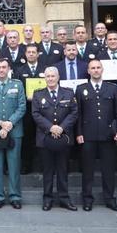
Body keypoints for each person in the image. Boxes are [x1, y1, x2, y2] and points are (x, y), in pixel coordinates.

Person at [74, 59, 117, 212]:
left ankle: (110, 199)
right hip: (88, 135)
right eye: (93, 68)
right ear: (88, 71)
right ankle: (87, 199)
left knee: (108, 170)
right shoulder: (81, 88)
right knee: (87, 170)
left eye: (98, 68)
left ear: (102, 70)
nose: (96, 70)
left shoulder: (112, 89)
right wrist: (79, 133)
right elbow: (78, 114)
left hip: (107, 135)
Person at [32, 67, 78, 211]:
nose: (50, 79)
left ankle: (64, 198)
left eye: (53, 76)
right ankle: (47, 199)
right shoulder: (38, 94)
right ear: (44, 78)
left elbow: (74, 112)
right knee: (48, 170)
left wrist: (61, 127)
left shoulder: (69, 93)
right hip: (45, 137)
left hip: (63, 137)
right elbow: (35, 114)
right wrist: (51, 127)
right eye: (48, 76)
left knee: (63, 169)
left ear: (58, 77)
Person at [0, 58, 26, 209]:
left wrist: (9, 123)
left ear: (9, 69)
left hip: (14, 131)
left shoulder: (18, 84)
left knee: (14, 166)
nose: (1, 70)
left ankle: (15, 196)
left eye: (4, 67)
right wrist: (0, 123)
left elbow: (22, 106)